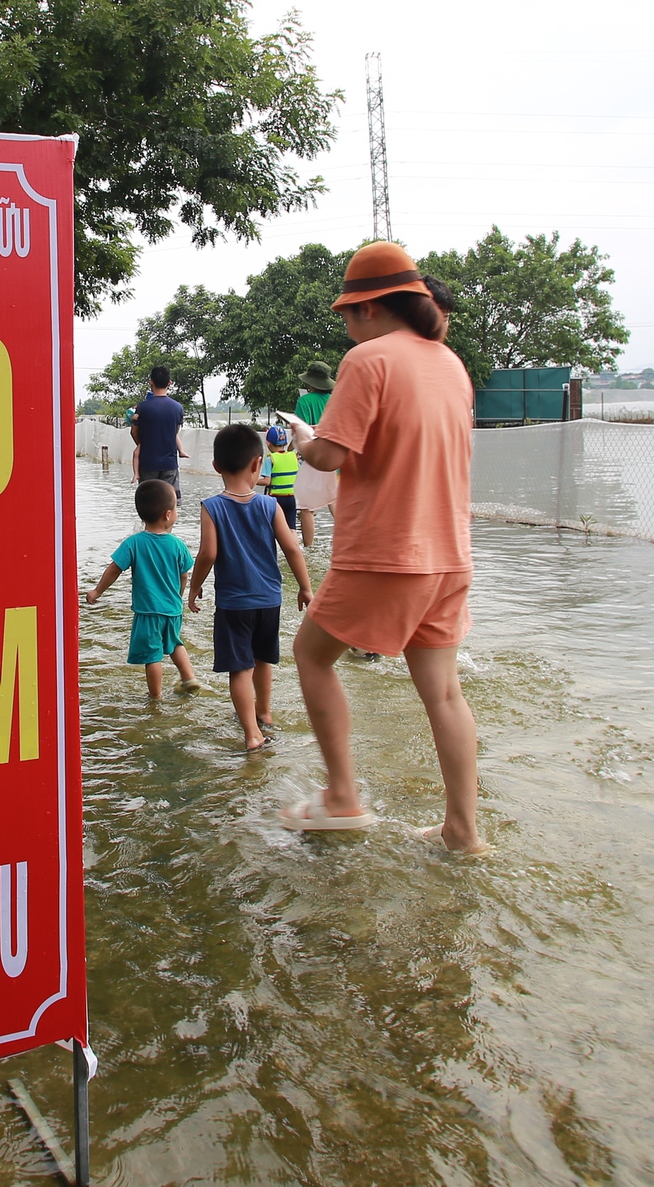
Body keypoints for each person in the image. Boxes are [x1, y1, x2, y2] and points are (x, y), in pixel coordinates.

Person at [277, 242, 486, 853]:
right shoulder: (450, 363)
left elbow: (334, 455)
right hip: (449, 554)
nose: (344, 323)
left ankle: (341, 797)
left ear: (369, 307)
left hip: (387, 551)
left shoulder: (368, 360)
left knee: (311, 656)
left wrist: (306, 441)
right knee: (445, 692)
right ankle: (462, 831)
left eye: (347, 311)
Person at [187, 425, 313, 752]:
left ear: (216, 466)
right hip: (269, 600)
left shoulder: (211, 507)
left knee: (239, 669)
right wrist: (305, 587)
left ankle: (251, 734)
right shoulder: (269, 506)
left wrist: (195, 586)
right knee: (263, 660)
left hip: (233, 604)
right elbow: (293, 549)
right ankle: (265, 714)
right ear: (259, 464)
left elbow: (208, 553)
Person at [87, 479, 197, 697]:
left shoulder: (133, 543)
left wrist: (98, 591)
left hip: (148, 611)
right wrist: (180, 595)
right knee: (175, 643)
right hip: (172, 610)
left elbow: (114, 569)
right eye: (175, 508)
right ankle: (188, 677)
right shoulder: (178, 545)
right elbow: (184, 575)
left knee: (153, 655)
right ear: (167, 514)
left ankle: (155, 697)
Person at [292, 361, 338, 549]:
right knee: (334, 500)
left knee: (306, 507)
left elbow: (299, 429)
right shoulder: (336, 400)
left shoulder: (305, 401)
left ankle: (309, 548)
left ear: (310, 383)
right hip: (337, 457)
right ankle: (349, 538)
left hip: (313, 458)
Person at [130, 367, 188, 492]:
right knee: (170, 503)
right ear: (169, 383)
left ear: (151, 382)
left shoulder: (142, 408)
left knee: (149, 505)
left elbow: (134, 432)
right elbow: (174, 432)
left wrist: (142, 445)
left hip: (147, 464)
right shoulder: (177, 408)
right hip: (169, 464)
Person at [262, 426, 300, 534]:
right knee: (292, 529)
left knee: (270, 530)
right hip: (290, 498)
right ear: (285, 443)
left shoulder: (270, 459)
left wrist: (251, 481)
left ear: (268, 443)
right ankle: (296, 549)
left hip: (275, 500)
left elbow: (266, 481)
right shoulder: (293, 457)